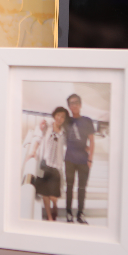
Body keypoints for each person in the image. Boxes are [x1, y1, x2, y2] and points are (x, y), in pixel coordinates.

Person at [29, 107, 69, 221]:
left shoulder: (64, 133)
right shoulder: (47, 127)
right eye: (58, 115)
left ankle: (55, 205)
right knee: (45, 193)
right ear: (54, 115)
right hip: (45, 164)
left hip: (57, 167)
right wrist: (33, 151)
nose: (60, 118)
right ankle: (50, 216)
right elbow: (38, 138)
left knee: (54, 196)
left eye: (62, 117)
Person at [65, 94, 95, 225]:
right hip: (69, 160)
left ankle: (80, 213)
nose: (74, 105)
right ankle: (68, 212)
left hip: (83, 160)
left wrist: (90, 159)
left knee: (82, 188)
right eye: (71, 103)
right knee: (69, 187)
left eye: (76, 102)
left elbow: (92, 141)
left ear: (80, 104)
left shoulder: (87, 121)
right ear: (69, 106)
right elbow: (56, 125)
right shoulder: (66, 120)